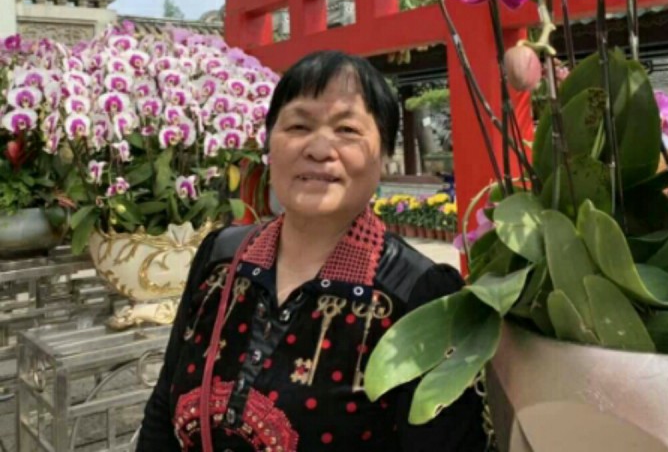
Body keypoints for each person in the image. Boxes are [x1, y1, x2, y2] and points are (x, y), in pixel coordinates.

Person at [137, 50, 486, 451]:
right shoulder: (220, 257)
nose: (319, 149)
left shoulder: (421, 296)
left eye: (347, 130)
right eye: (298, 126)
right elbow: (163, 407)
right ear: (269, 143)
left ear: (384, 154)